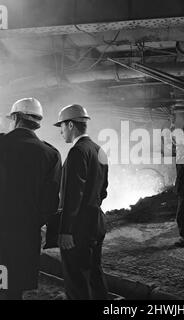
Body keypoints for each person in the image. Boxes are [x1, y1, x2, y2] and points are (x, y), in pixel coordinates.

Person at [0, 98, 62, 300]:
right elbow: (51, 203)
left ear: (16, 117)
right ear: (37, 122)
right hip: (24, 237)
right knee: (13, 290)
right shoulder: (50, 154)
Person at [54, 104, 109, 300]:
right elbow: (103, 191)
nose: (61, 132)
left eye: (61, 126)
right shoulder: (98, 149)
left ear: (70, 125)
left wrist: (66, 230)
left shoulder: (77, 151)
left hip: (78, 229)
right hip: (96, 224)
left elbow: (72, 195)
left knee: (76, 282)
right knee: (95, 277)